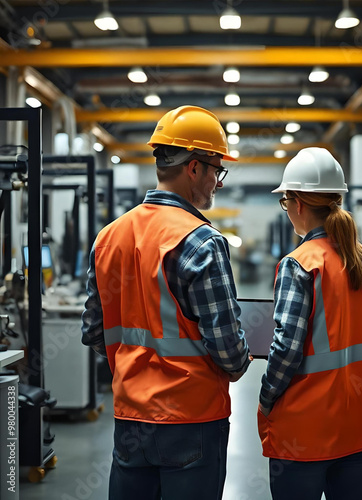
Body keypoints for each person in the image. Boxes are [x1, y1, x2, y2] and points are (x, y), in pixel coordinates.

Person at [82, 105, 251, 500]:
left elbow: (92, 332)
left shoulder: (109, 236)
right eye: (216, 171)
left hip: (130, 420)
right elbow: (229, 353)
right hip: (192, 420)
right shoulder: (201, 241)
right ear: (194, 168)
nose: (217, 183)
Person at [258, 147, 362, 500]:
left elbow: (286, 351)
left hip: (307, 428)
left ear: (297, 204)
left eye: (286, 203)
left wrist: (266, 397)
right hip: (360, 422)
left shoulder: (300, 264)